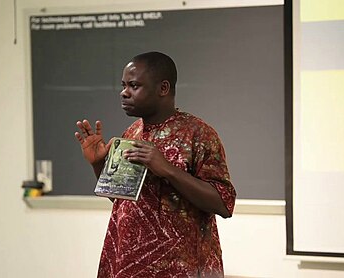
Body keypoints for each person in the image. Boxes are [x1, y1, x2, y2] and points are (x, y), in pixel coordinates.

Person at [75, 52, 236, 278]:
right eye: (123, 85)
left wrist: (167, 169)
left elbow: (224, 203)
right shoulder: (131, 134)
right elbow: (123, 199)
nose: (124, 92)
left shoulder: (198, 135)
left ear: (163, 88)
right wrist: (98, 164)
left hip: (181, 268)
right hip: (127, 264)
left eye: (134, 85)